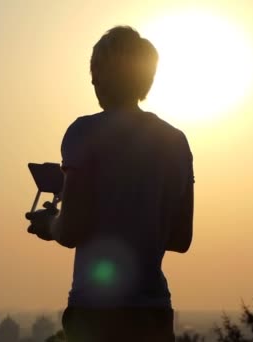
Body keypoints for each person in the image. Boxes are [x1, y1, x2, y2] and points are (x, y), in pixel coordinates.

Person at [26, 26, 194, 342]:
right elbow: (181, 238)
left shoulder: (83, 132)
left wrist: (50, 223)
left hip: (96, 312)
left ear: (106, 74)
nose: (92, 81)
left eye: (96, 72)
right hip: (153, 312)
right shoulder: (176, 141)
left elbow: (71, 230)